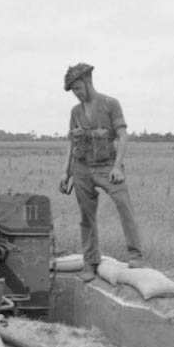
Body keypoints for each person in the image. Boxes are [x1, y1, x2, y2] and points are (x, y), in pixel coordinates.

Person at [59, 63, 144, 282]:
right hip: (81, 168)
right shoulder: (75, 112)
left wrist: (117, 167)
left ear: (88, 82)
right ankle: (90, 263)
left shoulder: (110, 104)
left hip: (107, 166)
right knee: (86, 218)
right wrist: (65, 172)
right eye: (73, 91)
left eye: (78, 88)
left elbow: (123, 136)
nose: (76, 94)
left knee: (124, 206)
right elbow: (70, 142)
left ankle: (135, 255)